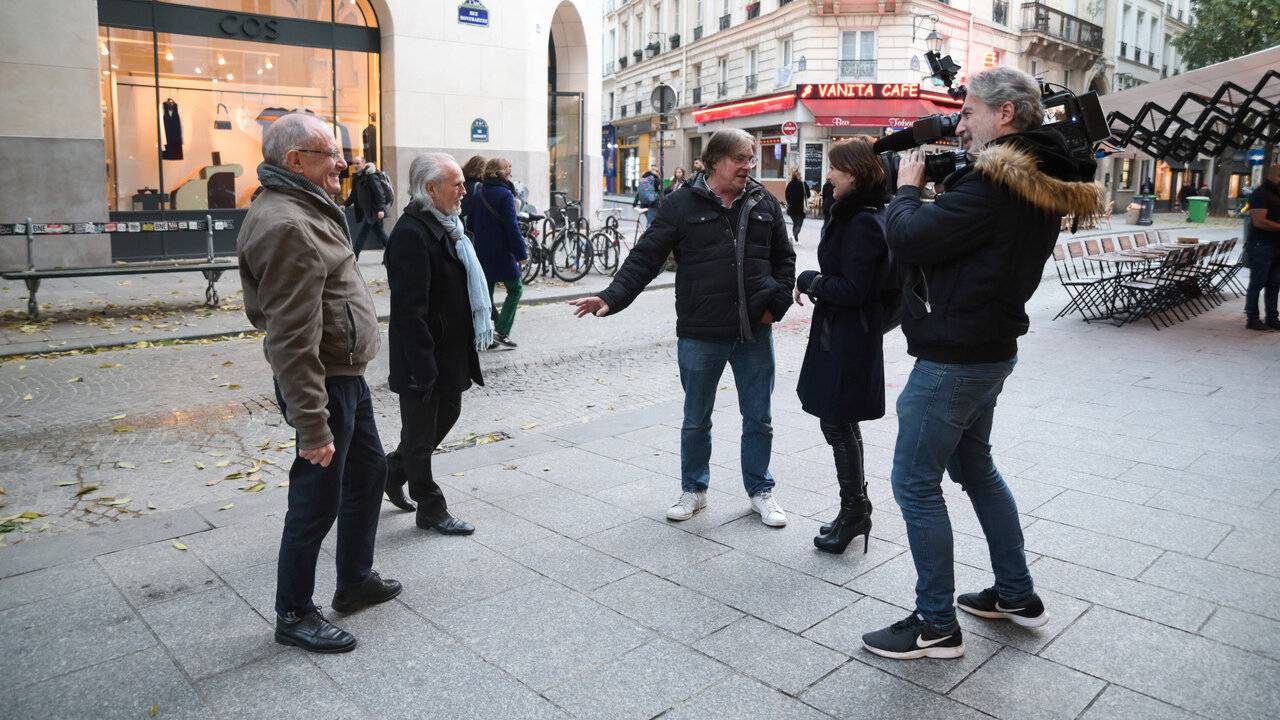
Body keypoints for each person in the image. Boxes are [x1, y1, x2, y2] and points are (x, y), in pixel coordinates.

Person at [860, 67, 1100, 661]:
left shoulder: (996, 184)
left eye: (968, 112)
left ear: (1005, 113)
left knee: (914, 483)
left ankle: (935, 625)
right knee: (976, 469)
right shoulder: (1034, 175)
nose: (960, 124)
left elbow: (909, 238)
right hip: (988, 348)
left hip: (955, 357)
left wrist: (907, 189)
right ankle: (1016, 593)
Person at [570, 128, 797, 527]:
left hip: (754, 332)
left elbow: (784, 259)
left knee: (759, 418)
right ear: (715, 162)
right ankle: (694, 489)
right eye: (740, 159)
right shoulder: (681, 204)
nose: (748, 166)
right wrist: (611, 296)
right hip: (700, 331)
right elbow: (646, 257)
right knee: (696, 418)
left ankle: (761, 490)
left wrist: (773, 307)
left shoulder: (763, 201)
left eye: (750, 159)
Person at [238, 112, 399, 654]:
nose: (342, 162)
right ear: (295, 161)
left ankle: (353, 580)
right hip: (324, 382)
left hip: (346, 374)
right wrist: (312, 424)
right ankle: (294, 612)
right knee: (316, 498)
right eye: (330, 153)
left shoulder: (307, 205)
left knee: (369, 471)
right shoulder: (287, 224)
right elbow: (289, 337)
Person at [381, 153, 489, 534]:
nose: (464, 191)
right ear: (431, 188)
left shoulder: (449, 227)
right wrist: (423, 369)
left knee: (445, 416)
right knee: (420, 434)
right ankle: (430, 506)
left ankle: (392, 470)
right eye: (456, 184)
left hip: (449, 353)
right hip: (423, 357)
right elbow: (410, 312)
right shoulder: (412, 234)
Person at [793, 139, 890, 555]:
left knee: (836, 422)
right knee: (840, 421)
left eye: (834, 168)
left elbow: (853, 290)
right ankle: (855, 508)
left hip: (849, 336)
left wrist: (810, 280)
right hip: (844, 332)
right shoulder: (854, 214)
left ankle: (854, 511)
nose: (828, 175)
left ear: (853, 172)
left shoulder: (862, 222)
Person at [470, 157, 528, 347]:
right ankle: (501, 331)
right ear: (500, 172)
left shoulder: (479, 193)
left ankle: (487, 335)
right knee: (516, 289)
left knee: (486, 294)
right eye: (507, 169)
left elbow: (471, 224)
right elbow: (512, 227)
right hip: (503, 253)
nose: (510, 172)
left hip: (482, 252)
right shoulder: (505, 194)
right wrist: (521, 254)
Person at [1244, 163, 1280, 331]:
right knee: (1258, 282)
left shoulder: (1276, 193)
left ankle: (1272, 317)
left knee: (1274, 283)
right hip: (1262, 244)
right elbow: (1259, 221)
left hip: (1276, 244)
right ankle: (1252, 318)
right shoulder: (1260, 193)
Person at [344, 156, 390, 259]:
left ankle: (354, 256)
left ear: (364, 163)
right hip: (367, 211)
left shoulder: (371, 176)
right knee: (379, 233)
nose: (355, 166)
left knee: (363, 233)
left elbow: (379, 193)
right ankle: (392, 253)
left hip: (374, 210)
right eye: (354, 163)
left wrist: (381, 209)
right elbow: (353, 195)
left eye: (358, 163)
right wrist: (344, 205)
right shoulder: (357, 177)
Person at [785, 167, 808, 244]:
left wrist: (790, 202)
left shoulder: (789, 184)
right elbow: (808, 195)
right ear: (798, 176)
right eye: (800, 175)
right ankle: (793, 236)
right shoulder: (802, 184)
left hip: (791, 208)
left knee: (795, 224)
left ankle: (796, 239)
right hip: (800, 209)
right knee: (798, 224)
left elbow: (786, 195)